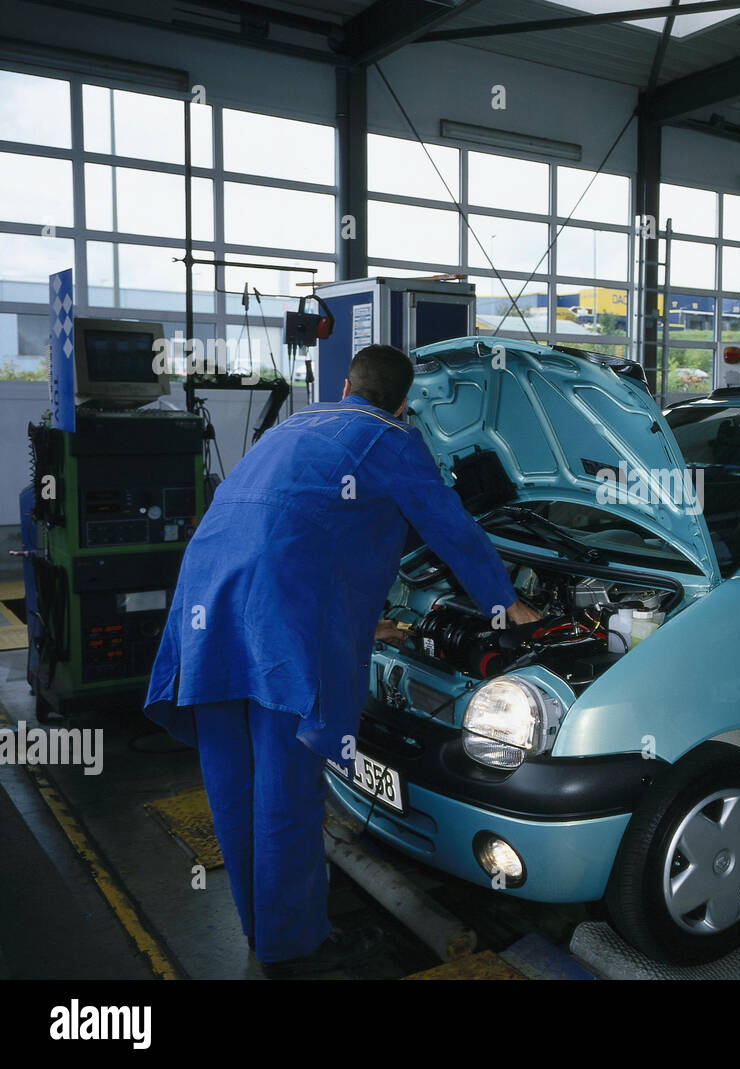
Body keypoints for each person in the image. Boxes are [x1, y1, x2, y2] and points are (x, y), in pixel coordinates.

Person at [144, 343, 539, 977]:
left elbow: (298, 521)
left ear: (348, 384)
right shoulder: (392, 439)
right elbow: (453, 530)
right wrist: (505, 605)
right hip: (280, 631)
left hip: (207, 611)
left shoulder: (296, 424)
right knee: (286, 791)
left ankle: (263, 931)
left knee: (231, 783)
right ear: (403, 402)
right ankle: (295, 947)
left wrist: (355, 616)